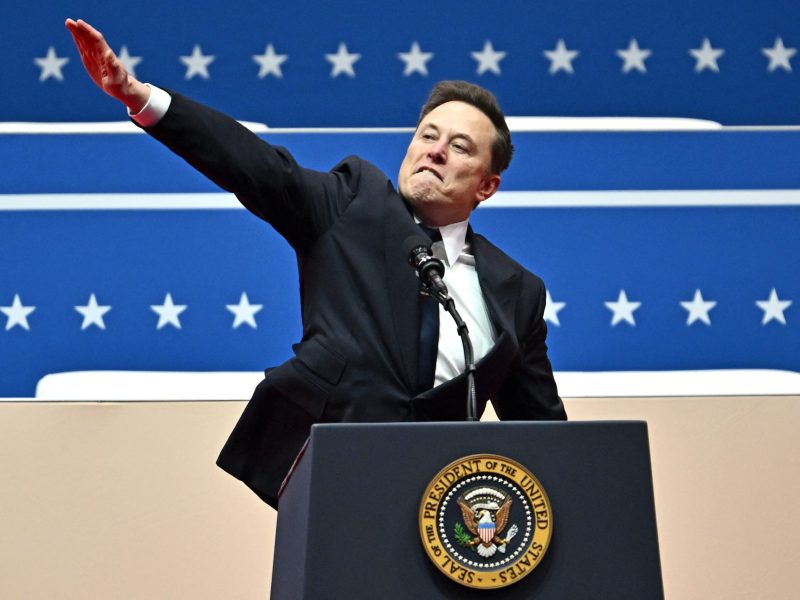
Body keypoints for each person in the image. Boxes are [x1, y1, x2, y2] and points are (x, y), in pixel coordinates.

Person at [66, 18, 567, 509]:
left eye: (459, 147)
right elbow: (254, 164)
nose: (434, 152)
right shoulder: (352, 204)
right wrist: (138, 96)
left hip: (443, 506)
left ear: (487, 186)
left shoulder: (517, 291)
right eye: (427, 135)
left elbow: (547, 436)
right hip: (331, 482)